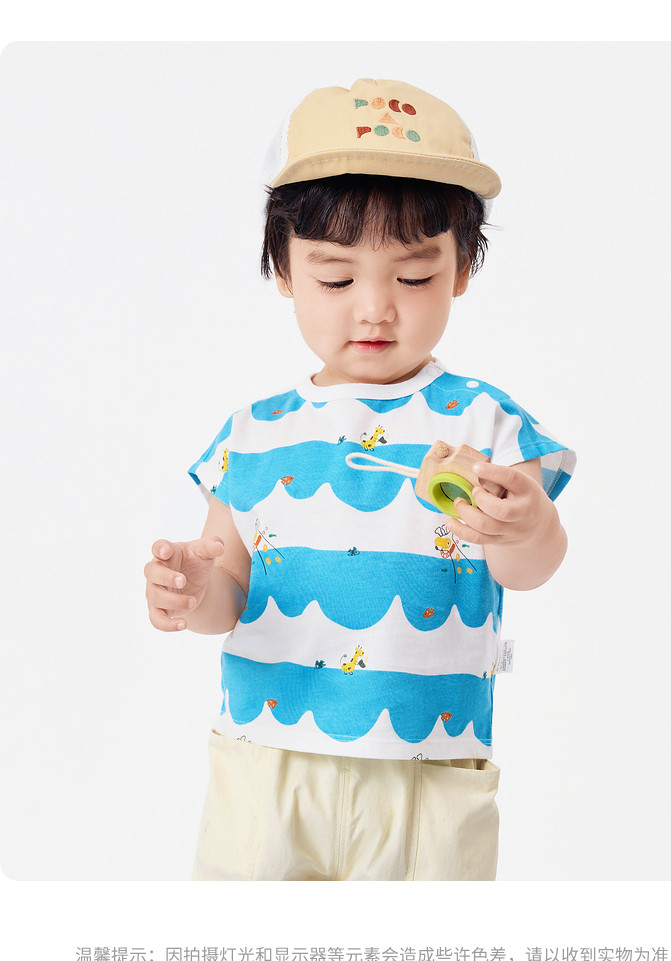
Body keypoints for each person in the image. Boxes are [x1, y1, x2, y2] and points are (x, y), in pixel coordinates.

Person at [144, 78, 576, 881]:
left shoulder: (487, 425)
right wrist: (193, 591)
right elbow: (227, 592)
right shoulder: (251, 434)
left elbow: (529, 568)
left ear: (461, 268)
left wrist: (528, 526)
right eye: (337, 279)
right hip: (266, 761)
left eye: (413, 277)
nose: (374, 309)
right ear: (283, 269)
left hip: (427, 766)